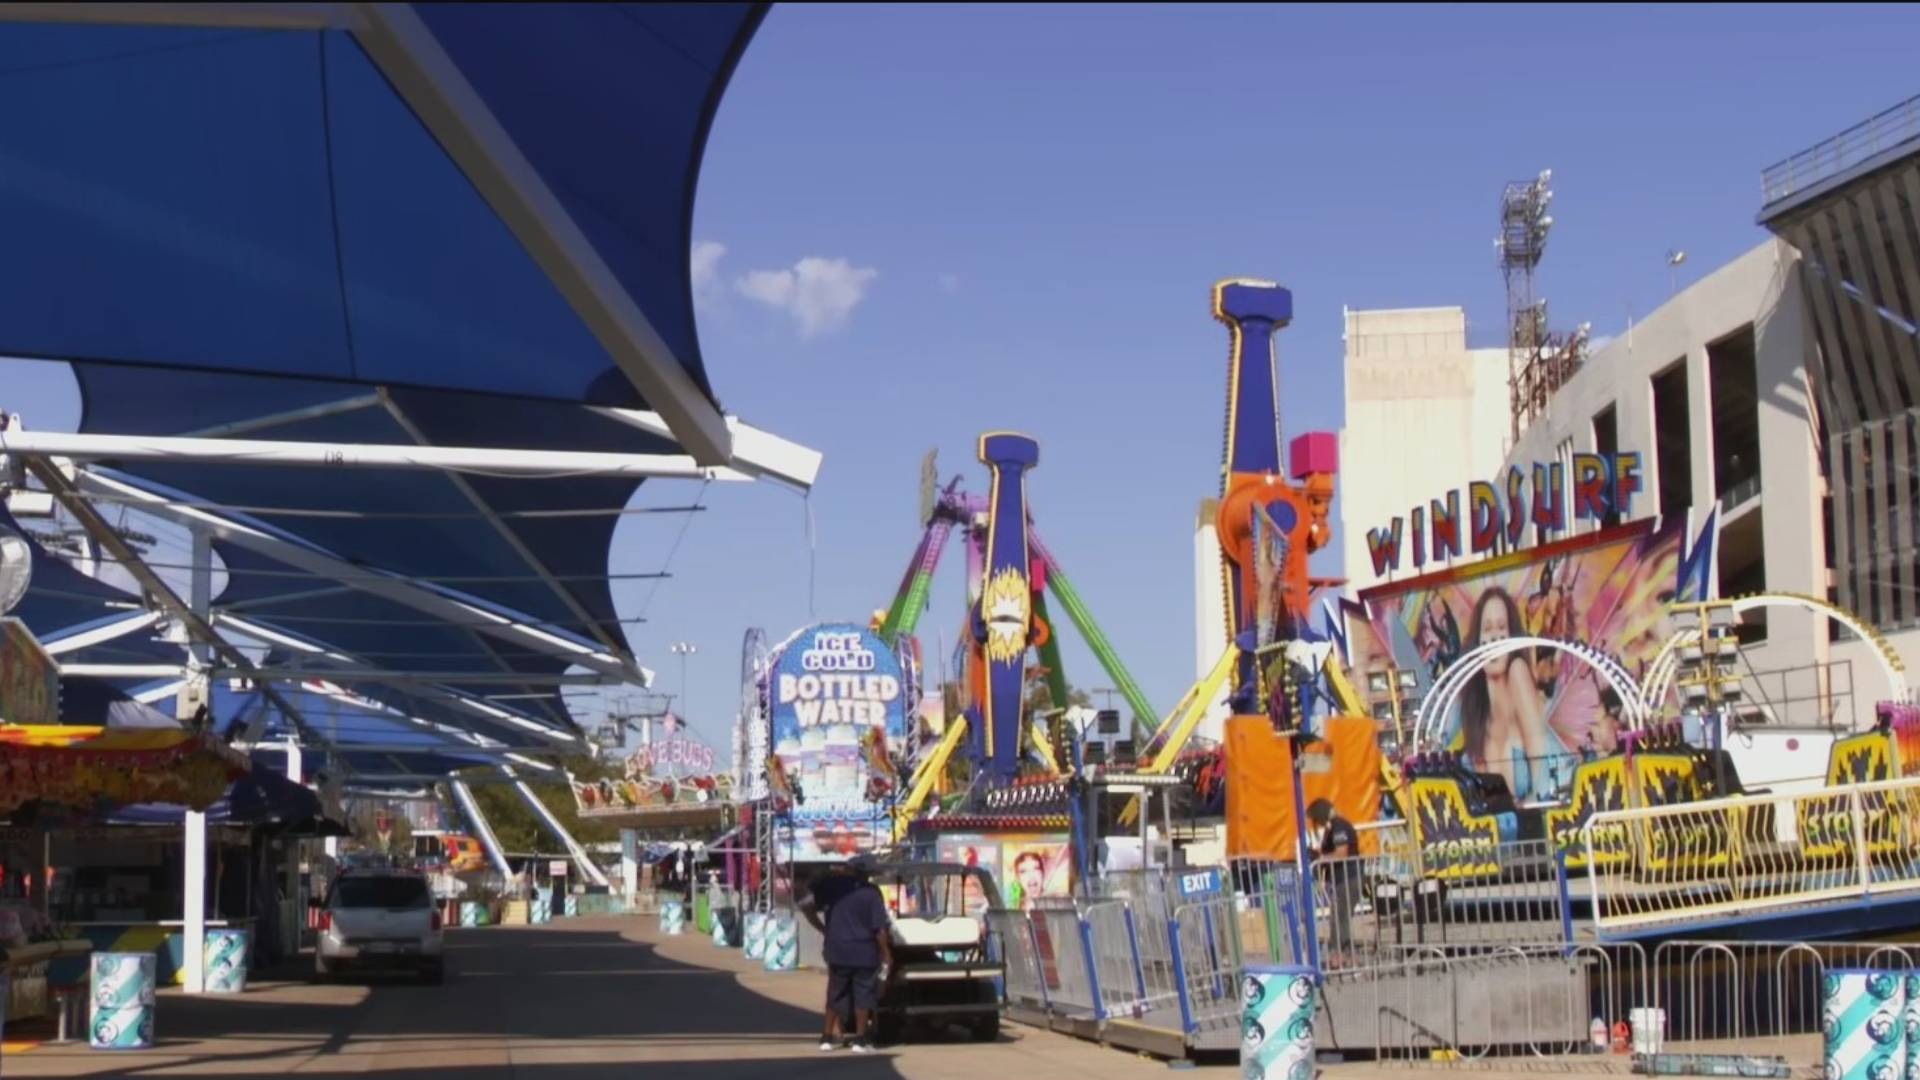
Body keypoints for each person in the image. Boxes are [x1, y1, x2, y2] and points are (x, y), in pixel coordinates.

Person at [1458, 587, 1564, 799]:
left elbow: (1543, 777)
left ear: (1511, 637)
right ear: (1478, 641)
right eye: (1487, 629)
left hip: (1549, 814)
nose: (1494, 638)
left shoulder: (1518, 670)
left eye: (1501, 628)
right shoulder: (1475, 709)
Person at [798, 855, 893, 1053]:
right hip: (864, 951)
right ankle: (859, 1040)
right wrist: (885, 953)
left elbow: (806, 906)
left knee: (835, 992)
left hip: (837, 950)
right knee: (863, 995)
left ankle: (827, 1037)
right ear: (868, 873)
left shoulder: (833, 887)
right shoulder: (871, 893)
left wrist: (823, 929)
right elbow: (880, 929)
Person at [1307, 799, 1360, 966]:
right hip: (1341, 879)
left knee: (1339, 917)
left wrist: (1322, 859)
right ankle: (1346, 955)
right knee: (1339, 917)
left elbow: (1341, 853)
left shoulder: (1339, 825)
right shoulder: (1334, 828)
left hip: (1348, 878)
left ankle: (1339, 956)